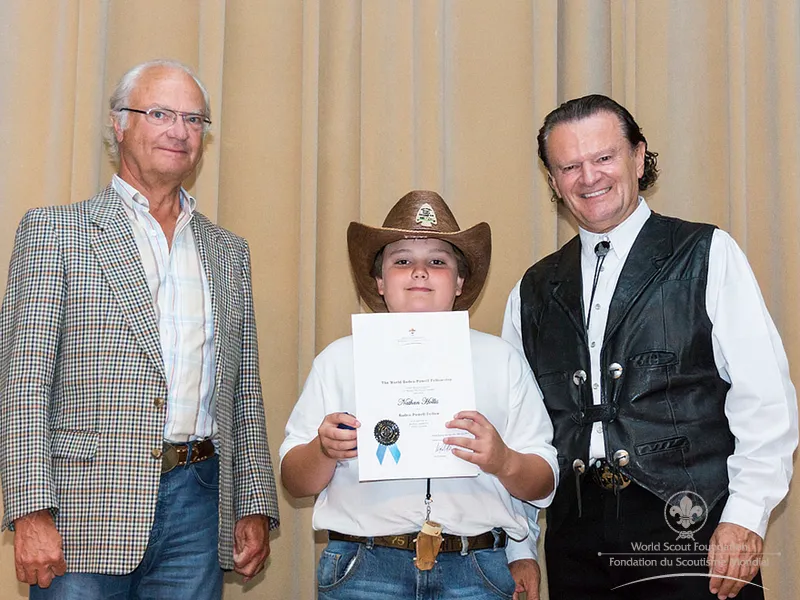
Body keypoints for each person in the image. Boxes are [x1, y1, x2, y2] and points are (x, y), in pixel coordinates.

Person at [0, 59, 279, 599]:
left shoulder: (229, 252)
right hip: (82, 510)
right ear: (119, 124)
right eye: (160, 114)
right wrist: (30, 511)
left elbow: (244, 390)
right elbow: (23, 384)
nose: (179, 131)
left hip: (199, 505)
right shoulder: (56, 232)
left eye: (194, 119)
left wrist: (253, 503)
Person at [502, 94, 798, 600]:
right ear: (552, 180)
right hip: (574, 539)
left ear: (638, 158)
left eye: (604, 157)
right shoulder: (531, 290)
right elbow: (521, 430)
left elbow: (765, 397)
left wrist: (746, 515)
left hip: (690, 527)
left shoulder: (707, 253)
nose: (588, 177)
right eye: (569, 166)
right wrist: (520, 545)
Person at [280, 190, 558, 600]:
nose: (420, 272)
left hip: (475, 568)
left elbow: (544, 479)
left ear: (460, 281)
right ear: (379, 281)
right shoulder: (337, 360)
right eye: (402, 261)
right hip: (363, 567)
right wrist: (324, 450)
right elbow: (293, 479)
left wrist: (503, 460)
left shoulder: (502, 360)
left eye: (438, 262)